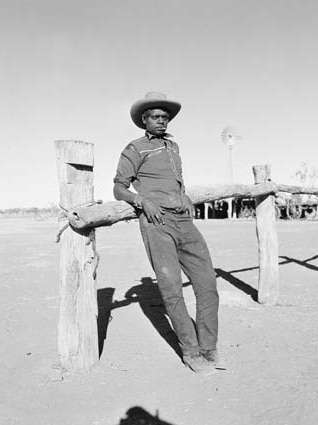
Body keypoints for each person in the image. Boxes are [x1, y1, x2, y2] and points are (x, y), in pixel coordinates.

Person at [113, 92, 219, 374]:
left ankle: (208, 346)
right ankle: (191, 351)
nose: (162, 121)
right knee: (172, 290)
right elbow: (119, 187)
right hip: (157, 223)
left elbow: (177, 182)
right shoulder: (135, 149)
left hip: (184, 220)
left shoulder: (173, 147)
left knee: (207, 283)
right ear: (144, 120)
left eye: (165, 117)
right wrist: (141, 200)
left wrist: (184, 196)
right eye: (156, 117)